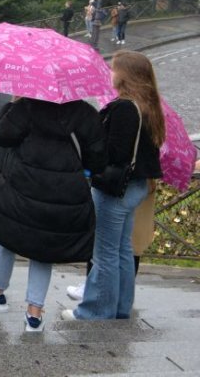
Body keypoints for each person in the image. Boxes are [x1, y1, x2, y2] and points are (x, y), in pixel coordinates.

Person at [0, 95, 105, 333]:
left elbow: (0, 135)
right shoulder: (84, 113)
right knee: (43, 247)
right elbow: (98, 160)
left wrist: (12, 104)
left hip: (21, 188)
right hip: (62, 194)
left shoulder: (26, 107)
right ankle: (34, 315)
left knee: (5, 231)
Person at [66, 51, 164, 322]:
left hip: (115, 188)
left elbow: (116, 154)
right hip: (135, 187)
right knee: (121, 250)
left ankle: (96, 310)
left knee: (105, 253)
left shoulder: (124, 108)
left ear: (125, 75)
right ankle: (120, 307)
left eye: (113, 68)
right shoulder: (148, 107)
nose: (109, 72)